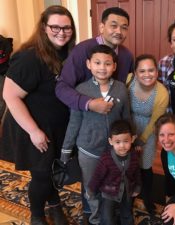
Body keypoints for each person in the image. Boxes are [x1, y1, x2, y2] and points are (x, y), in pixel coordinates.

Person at [0, 5, 76, 225]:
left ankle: (54, 205)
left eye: (67, 28)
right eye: (55, 27)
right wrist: (34, 131)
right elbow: (10, 96)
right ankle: (37, 214)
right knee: (41, 175)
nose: (62, 32)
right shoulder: (29, 57)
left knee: (50, 170)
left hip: (56, 126)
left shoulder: (68, 53)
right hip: (33, 127)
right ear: (44, 28)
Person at [60, 44, 131, 225]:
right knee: (91, 188)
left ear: (114, 66)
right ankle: (95, 218)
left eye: (107, 63)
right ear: (88, 64)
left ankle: (109, 215)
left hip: (114, 152)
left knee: (112, 186)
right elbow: (74, 121)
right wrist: (66, 150)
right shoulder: (81, 90)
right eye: (97, 63)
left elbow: (126, 117)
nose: (102, 67)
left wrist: (131, 141)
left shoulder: (122, 89)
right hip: (88, 151)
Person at [56, 7, 134, 114]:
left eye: (124, 28)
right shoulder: (81, 51)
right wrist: (89, 104)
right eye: (113, 26)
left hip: (115, 118)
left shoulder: (127, 56)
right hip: (85, 116)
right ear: (102, 27)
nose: (119, 31)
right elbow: (62, 87)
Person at [126, 54, 168, 214]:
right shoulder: (128, 80)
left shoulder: (162, 93)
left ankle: (147, 198)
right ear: (135, 73)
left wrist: (140, 140)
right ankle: (128, 198)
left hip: (148, 129)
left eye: (151, 70)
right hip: (127, 123)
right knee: (126, 163)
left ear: (157, 72)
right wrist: (128, 135)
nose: (147, 74)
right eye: (142, 71)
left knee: (145, 166)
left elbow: (155, 121)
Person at [88, 119, 141, 225]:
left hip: (127, 192)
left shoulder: (134, 156)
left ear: (132, 139)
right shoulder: (106, 159)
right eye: (118, 142)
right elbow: (97, 175)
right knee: (107, 217)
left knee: (127, 214)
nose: (122, 146)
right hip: (108, 194)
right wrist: (91, 190)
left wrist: (138, 187)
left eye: (126, 141)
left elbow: (137, 173)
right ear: (110, 141)